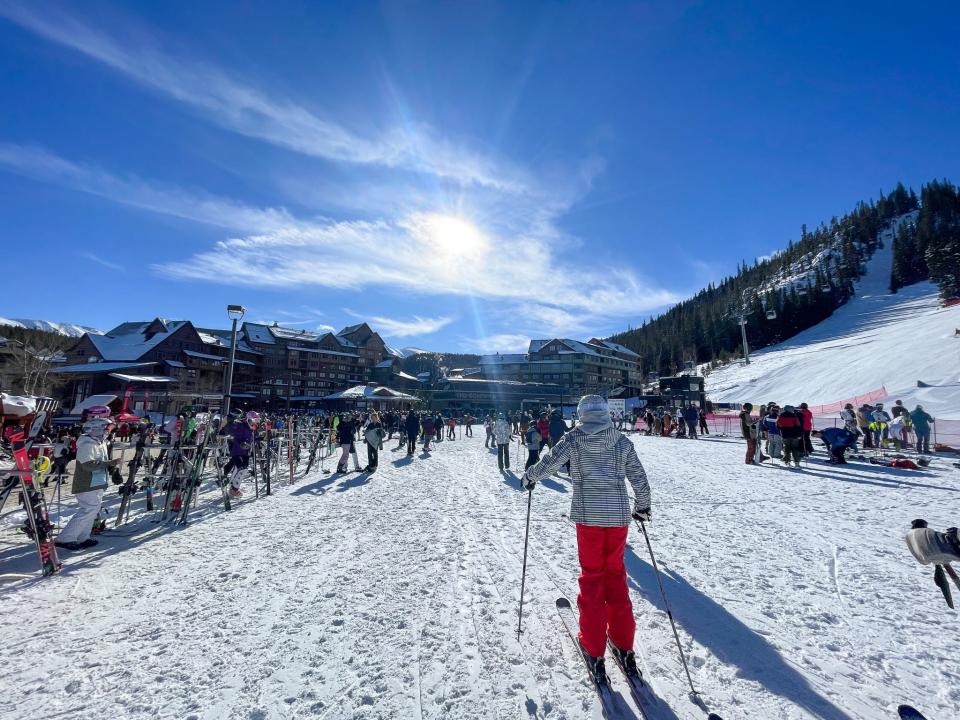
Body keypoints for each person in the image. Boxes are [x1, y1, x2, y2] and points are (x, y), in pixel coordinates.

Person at [521, 395, 651, 680]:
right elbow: (638, 476)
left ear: (581, 413)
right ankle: (624, 644)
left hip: (588, 516)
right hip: (617, 517)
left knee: (592, 578)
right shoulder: (620, 440)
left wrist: (530, 476)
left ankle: (593, 648)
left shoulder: (574, 438)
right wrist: (642, 505)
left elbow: (550, 462)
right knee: (616, 576)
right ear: (605, 413)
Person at [54, 413, 121, 551]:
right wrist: (109, 463)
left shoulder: (100, 442)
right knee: (88, 509)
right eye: (105, 429)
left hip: (97, 482)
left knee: (93, 510)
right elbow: (88, 464)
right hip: (87, 482)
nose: (107, 432)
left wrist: (112, 469)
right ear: (97, 429)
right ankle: (65, 538)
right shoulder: (87, 444)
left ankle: (83, 537)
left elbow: (101, 460)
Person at [224, 411, 257, 497]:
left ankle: (234, 487)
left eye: (256, 420)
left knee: (244, 469)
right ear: (249, 419)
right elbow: (236, 438)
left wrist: (259, 439)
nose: (255, 422)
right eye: (254, 420)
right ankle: (233, 489)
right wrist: (242, 443)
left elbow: (252, 439)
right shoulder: (242, 426)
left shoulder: (252, 428)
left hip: (246, 452)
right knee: (241, 469)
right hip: (237, 451)